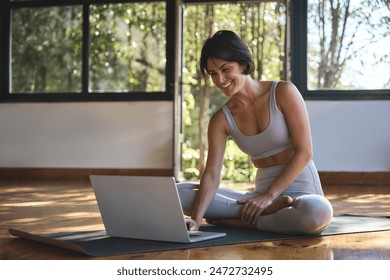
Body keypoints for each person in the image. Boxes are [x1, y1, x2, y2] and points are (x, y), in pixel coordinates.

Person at [177, 30, 333, 235]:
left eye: (226, 69)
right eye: (213, 73)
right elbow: (213, 174)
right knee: (179, 194)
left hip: (301, 191)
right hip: (258, 197)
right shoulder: (221, 119)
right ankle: (263, 213)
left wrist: (269, 196)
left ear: (242, 63)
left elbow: (305, 152)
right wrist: (196, 220)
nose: (220, 80)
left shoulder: (283, 92)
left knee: (317, 214)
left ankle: (244, 221)